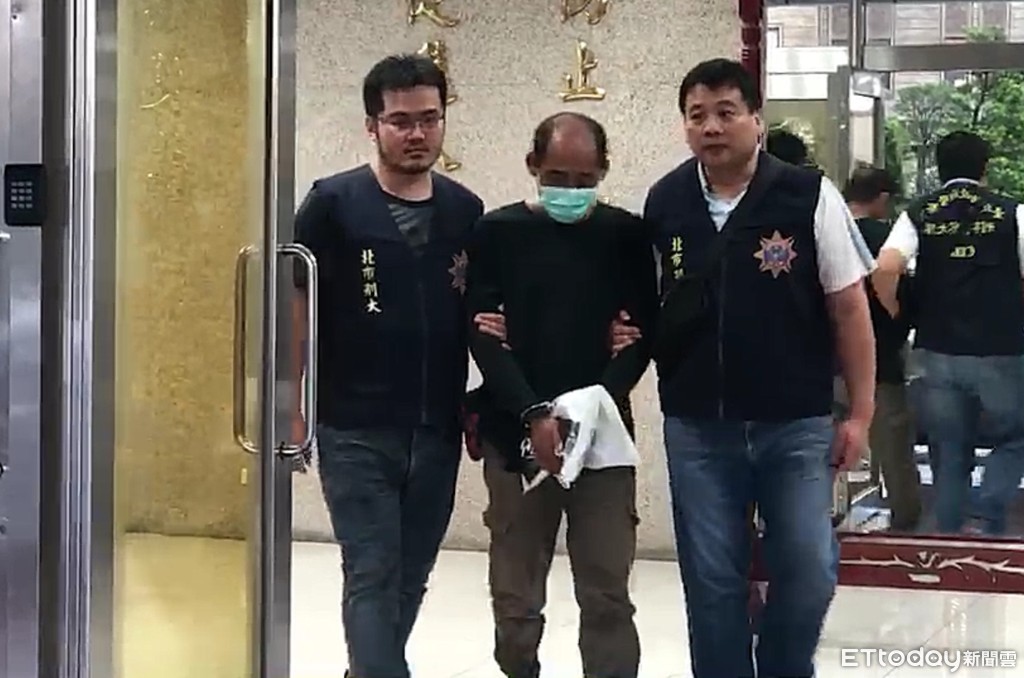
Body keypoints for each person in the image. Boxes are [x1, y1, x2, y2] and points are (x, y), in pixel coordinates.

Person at [641, 58, 876, 678]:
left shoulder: (807, 195)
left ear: (756, 120)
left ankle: (782, 665)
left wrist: (860, 414)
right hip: (698, 425)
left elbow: (850, 308)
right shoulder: (666, 201)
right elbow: (647, 302)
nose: (711, 127)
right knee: (711, 578)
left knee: (809, 565)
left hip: (793, 423)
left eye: (726, 112)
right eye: (697, 115)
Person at [290, 54, 484, 678]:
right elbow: (294, 304)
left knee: (412, 573)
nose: (417, 133)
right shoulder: (332, 204)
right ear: (372, 125)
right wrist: (291, 402)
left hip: (436, 425)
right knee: (372, 570)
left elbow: (482, 312)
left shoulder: (464, 210)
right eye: (401, 121)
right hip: (355, 424)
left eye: (429, 118)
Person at [465, 112, 659, 678]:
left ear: (604, 170)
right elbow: (482, 333)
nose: (570, 191)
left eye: (583, 180)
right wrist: (533, 412)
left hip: (601, 439)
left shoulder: (626, 235)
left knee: (607, 590)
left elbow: (639, 336)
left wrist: (589, 408)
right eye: (556, 177)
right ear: (532, 166)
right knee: (516, 593)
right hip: (516, 435)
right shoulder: (496, 232)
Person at [874, 130, 1024, 536]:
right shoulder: (1012, 212)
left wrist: (899, 311)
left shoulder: (919, 212)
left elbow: (885, 267)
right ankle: (987, 511)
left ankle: (950, 535)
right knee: (1016, 436)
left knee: (949, 448)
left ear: (940, 168)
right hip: (1001, 348)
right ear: (985, 168)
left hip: (937, 348)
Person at [843, 165, 923, 531]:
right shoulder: (888, 241)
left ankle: (822, 516)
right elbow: (906, 294)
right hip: (881, 360)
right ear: (883, 198)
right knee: (893, 448)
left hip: (822, 361)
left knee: (817, 447)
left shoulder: (823, 232)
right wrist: (898, 319)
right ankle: (905, 522)